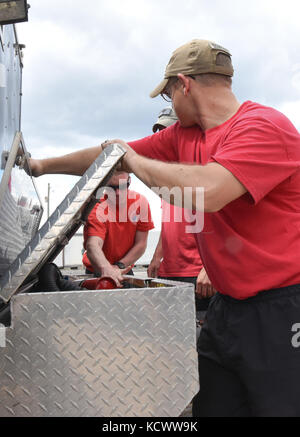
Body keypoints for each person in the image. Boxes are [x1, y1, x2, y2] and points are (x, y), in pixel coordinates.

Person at [28, 39, 300, 417]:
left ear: (183, 85)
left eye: (169, 93)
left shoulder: (264, 126)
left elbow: (210, 192)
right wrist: (41, 165)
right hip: (227, 307)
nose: (170, 104)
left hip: (281, 307)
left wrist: (134, 162)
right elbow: (110, 157)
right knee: (214, 406)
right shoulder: (185, 136)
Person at [148, 107, 215, 313]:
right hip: (168, 270)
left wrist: (211, 269)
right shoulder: (166, 180)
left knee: (200, 337)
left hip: (198, 273)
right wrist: (156, 257)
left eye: (168, 132)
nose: (163, 138)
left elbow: (226, 226)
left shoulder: (205, 172)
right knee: (172, 334)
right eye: (159, 133)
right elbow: (169, 222)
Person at [82, 170, 154, 287]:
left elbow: (141, 244)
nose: (117, 193)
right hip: (98, 269)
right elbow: (93, 245)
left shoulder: (140, 203)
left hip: (123, 268)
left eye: (122, 186)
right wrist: (106, 268)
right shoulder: (97, 206)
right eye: (111, 187)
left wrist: (119, 266)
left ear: (129, 182)